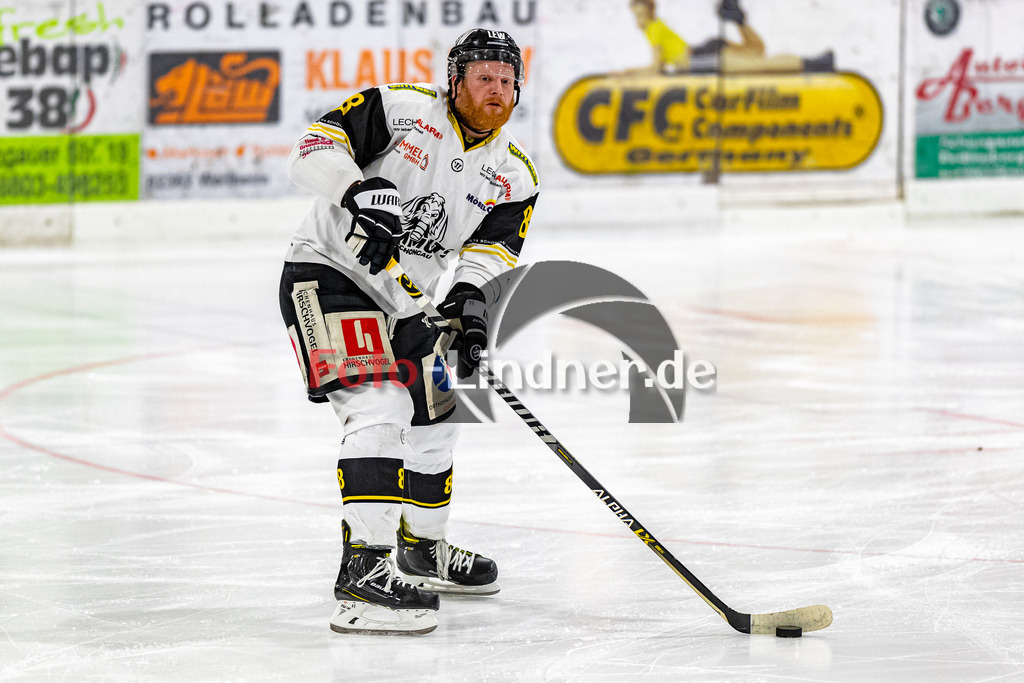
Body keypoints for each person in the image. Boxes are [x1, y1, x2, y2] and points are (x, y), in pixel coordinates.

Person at [278, 28, 539, 635]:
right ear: (455, 80)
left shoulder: (514, 173)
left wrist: (468, 300)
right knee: (380, 406)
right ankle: (362, 578)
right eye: (483, 77)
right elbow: (311, 149)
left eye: (506, 81)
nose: (496, 89)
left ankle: (423, 549)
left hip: (405, 300)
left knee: (438, 412)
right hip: (328, 274)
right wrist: (358, 191)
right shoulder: (401, 109)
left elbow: (493, 250)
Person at [625, 0, 834, 75]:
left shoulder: (653, 30)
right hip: (707, 49)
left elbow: (656, 68)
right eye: (636, 16)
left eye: (640, 15)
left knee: (760, 65)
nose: (638, 21)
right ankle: (738, 20)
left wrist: (627, 73)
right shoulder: (658, 25)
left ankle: (813, 64)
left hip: (702, 59)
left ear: (650, 13)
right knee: (757, 50)